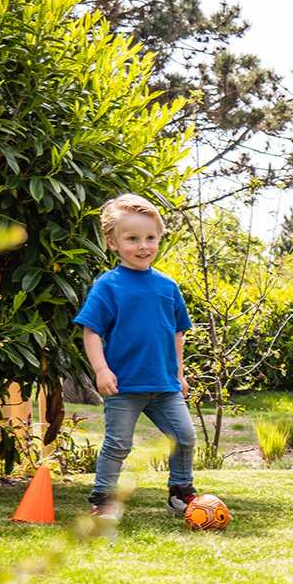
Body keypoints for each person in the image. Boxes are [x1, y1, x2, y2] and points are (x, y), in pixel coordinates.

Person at [75, 193, 197, 522]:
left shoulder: (168, 287)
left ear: (158, 239)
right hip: (124, 386)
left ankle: (181, 492)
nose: (143, 246)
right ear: (113, 242)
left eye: (150, 238)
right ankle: (103, 499)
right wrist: (101, 370)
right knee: (118, 444)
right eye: (132, 239)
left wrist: (180, 374)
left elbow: (177, 333)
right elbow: (91, 331)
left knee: (184, 436)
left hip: (165, 385)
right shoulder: (108, 286)